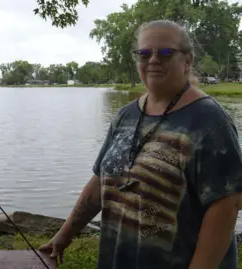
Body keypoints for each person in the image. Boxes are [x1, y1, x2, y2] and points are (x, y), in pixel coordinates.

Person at [39, 19, 242, 269]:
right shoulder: (125, 116)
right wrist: (64, 235)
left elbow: (226, 207)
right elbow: (99, 182)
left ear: (187, 61)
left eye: (165, 52)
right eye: (144, 53)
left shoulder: (210, 122)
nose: (153, 60)